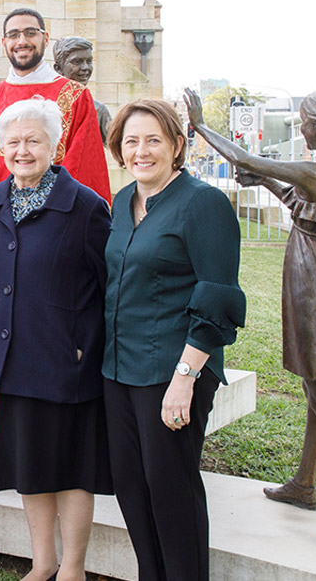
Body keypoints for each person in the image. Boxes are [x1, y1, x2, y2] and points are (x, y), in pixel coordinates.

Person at [186, 88, 316, 552]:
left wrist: (201, 125)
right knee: (314, 386)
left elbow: (247, 158)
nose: (301, 128)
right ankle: (305, 483)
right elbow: (297, 200)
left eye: (305, 121)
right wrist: (263, 181)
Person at [101, 98, 245, 580]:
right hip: (118, 370)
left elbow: (218, 297)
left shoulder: (203, 204)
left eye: (153, 140)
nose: (141, 151)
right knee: (131, 486)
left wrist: (184, 378)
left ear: (177, 145)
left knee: (170, 489)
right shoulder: (123, 201)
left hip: (172, 371)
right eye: (131, 142)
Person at [0, 99, 112, 581]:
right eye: (13, 142)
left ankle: (72, 568)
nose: (23, 151)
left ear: (55, 144)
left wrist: (86, 345)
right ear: (0, 148)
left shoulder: (86, 207)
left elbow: (109, 288)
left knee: (71, 469)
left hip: (65, 361)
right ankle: (42, 562)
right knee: (30, 467)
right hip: (10, 359)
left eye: (33, 140)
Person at [0, 8, 110, 201]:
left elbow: (83, 168)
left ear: (45, 39)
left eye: (31, 33)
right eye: (14, 35)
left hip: (56, 215)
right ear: (4, 43)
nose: (22, 41)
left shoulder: (75, 96)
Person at [52, 36, 111, 148]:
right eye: (77, 62)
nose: (85, 67)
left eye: (89, 61)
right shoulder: (46, 108)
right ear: (58, 68)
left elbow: (117, 145)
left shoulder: (98, 110)